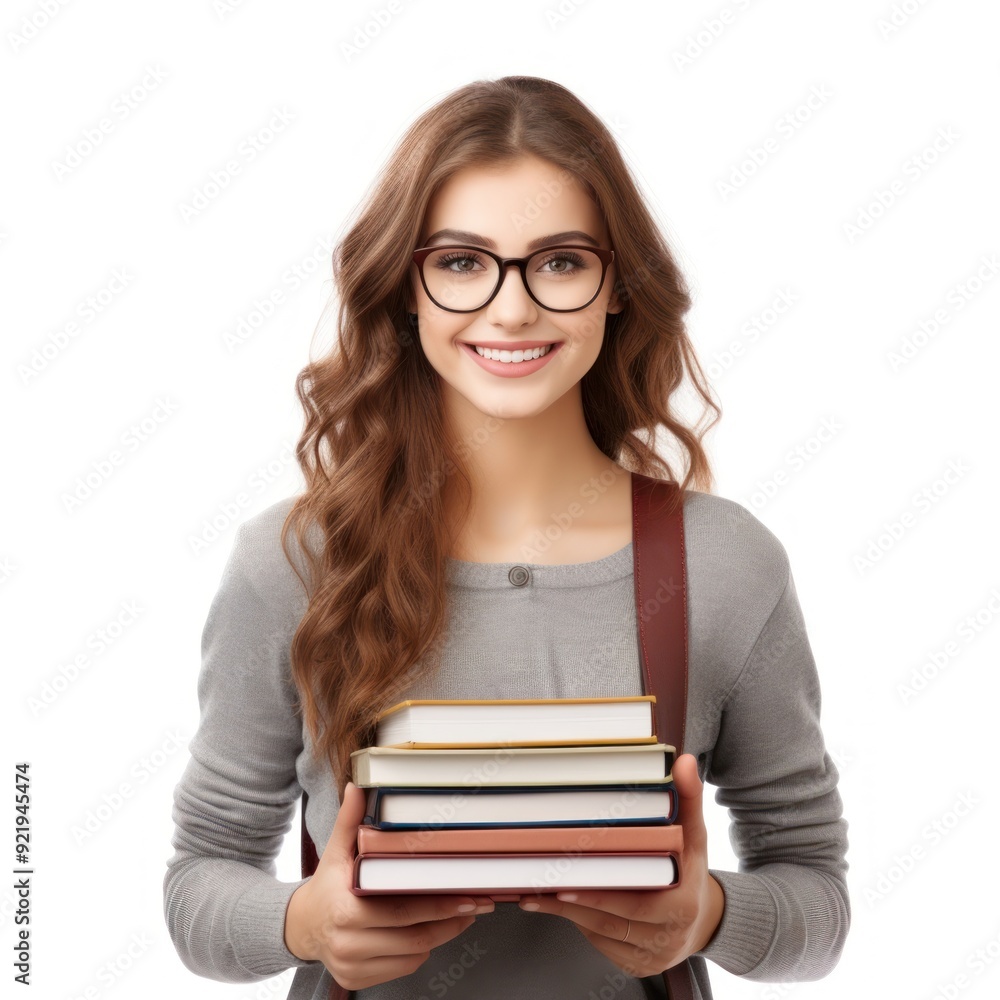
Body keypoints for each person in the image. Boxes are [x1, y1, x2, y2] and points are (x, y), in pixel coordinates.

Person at [163, 75, 850, 1000]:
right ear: (406, 289)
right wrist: (305, 923)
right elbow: (200, 883)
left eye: (560, 261)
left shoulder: (725, 565)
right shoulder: (294, 563)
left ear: (617, 287)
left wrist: (709, 915)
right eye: (461, 262)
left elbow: (814, 894)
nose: (513, 309)